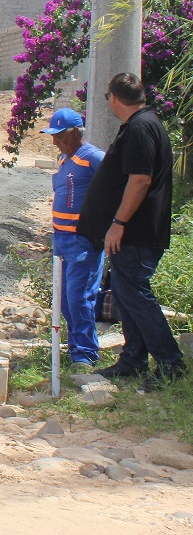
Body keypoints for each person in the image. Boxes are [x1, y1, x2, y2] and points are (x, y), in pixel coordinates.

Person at [78, 72, 188, 387]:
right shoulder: (143, 124)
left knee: (135, 294)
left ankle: (171, 362)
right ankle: (133, 360)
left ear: (113, 98)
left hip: (135, 232)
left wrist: (118, 224)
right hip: (133, 232)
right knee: (127, 295)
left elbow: (140, 180)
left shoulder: (141, 128)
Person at [40, 108, 105, 366]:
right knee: (66, 300)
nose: (54, 140)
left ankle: (86, 355)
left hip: (82, 241)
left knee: (80, 298)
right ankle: (74, 347)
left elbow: (116, 190)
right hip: (62, 240)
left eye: (59, 135)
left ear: (75, 132)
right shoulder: (64, 160)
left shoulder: (94, 158)